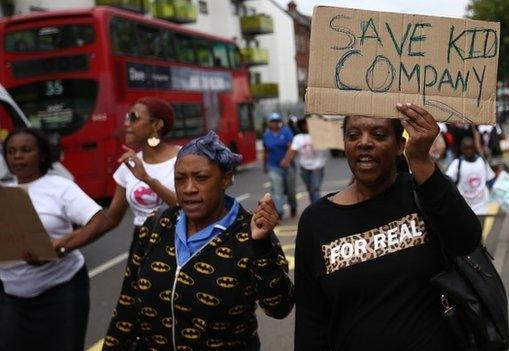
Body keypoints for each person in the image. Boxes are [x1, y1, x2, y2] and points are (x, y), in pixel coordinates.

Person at [294, 103, 481, 350]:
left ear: (400, 146)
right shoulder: (315, 221)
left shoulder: (424, 192)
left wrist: (421, 161)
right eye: (353, 135)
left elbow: (466, 239)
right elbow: (311, 322)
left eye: (379, 135)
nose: (364, 142)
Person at [104, 131, 294, 351]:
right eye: (180, 179)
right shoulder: (156, 225)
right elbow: (128, 303)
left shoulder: (251, 232)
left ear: (226, 179)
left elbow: (279, 308)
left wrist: (262, 248)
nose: (188, 189)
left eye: (201, 177)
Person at [0, 128, 110, 351]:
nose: (17, 156)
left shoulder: (60, 187)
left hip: (60, 291)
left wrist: (61, 247)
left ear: (41, 155)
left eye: (25, 150)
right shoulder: (4, 191)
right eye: (11, 151)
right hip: (11, 295)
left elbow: (99, 221)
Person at [105, 97, 179, 252]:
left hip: (177, 241)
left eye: (133, 118)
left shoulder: (184, 158)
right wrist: (68, 241)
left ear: (156, 124)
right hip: (142, 247)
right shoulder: (129, 165)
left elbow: (189, 208)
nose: (126, 124)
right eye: (126, 118)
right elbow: (111, 219)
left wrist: (147, 179)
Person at [281, 115, 329, 203]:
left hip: (317, 168)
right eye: (304, 124)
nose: (306, 126)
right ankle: (314, 208)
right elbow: (293, 150)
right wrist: (286, 161)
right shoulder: (298, 138)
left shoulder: (319, 136)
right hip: (304, 168)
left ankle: (318, 210)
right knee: (310, 189)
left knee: (315, 189)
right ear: (301, 126)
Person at [445, 136, 496, 219]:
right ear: (462, 149)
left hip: (482, 208)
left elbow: (490, 180)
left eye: (471, 148)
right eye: (466, 148)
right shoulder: (457, 164)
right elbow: (448, 181)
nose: (469, 151)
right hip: (464, 208)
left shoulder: (482, 161)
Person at [262, 112, 297, 219]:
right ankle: (279, 213)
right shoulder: (266, 135)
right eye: (272, 121)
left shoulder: (285, 132)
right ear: (269, 123)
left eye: (277, 121)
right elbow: (266, 151)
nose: (275, 124)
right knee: (277, 190)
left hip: (288, 166)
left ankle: (293, 206)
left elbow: (291, 147)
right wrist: (264, 165)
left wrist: (286, 160)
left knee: (290, 191)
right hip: (273, 166)